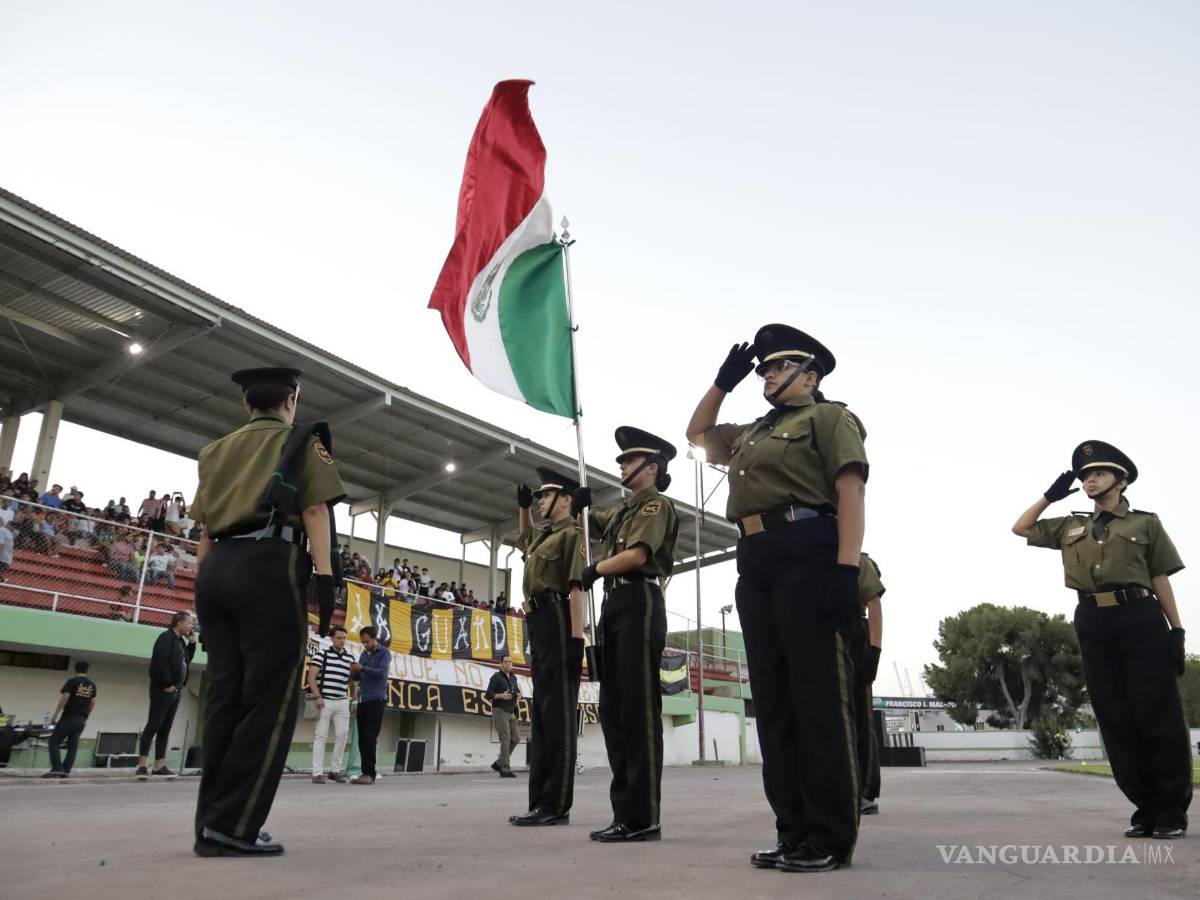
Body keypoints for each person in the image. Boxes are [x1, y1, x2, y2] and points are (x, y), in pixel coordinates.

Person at [686, 325, 868, 873]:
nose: (765, 375)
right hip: (755, 556)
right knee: (773, 702)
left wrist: (845, 571)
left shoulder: (830, 418)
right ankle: (793, 832)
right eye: (762, 369)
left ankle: (830, 836)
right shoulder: (752, 431)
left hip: (807, 548)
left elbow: (850, 490)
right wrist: (722, 383)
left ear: (809, 375)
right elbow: (697, 433)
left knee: (815, 698)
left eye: (776, 367)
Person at [189, 367, 346, 857]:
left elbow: (205, 532)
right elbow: (317, 511)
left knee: (224, 700)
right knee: (269, 702)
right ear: (292, 400)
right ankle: (234, 826)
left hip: (217, 572)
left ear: (246, 405)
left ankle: (211, 824)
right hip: (269, 566)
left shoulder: (215, 450)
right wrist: (324, 582)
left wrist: (201, 587)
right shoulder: (302, 442)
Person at [1012, 441, 1190, 839]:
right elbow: (1020, 528)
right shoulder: (1069, 525)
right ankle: (1144, 807)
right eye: (1084, 476)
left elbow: (1159, 576)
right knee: (1115, 716)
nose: (1089, 480)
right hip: (1092, 619)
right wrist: (1048, 497)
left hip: (1139, 616)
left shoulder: (1145, 523)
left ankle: (1171, 810)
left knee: (1155, 713)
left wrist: (1176, 630)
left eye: (1098, 474)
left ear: (1121, 481)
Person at [575, 427, 680, 844]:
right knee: (615, 711)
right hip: (614, 604)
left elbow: (637, 556)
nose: (620, 465)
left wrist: (596, 569)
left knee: (637, 711)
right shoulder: (622, 510)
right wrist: (580, 503)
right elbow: (588, 521)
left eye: (628, 460)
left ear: (651, 468)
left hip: (639, 599)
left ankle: (643, 817)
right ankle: (625, 814)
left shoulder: (656, 505)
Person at [507, 469, 587, 825]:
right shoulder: (543, 536)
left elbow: (576, 587)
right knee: (541, 712)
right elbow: (525, 541)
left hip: (556, 617)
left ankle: (556, 805)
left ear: (566, 499)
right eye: (536, 497)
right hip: (536, 620)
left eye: (544, 496)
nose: (539, 501)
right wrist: (522, 509)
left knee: (557, 713)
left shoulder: (572, 534)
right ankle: (539, 801)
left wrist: (576, 637)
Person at [136, 611, 197, 779]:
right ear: (179, 623)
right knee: (153, 725)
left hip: (175, 690)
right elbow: (159, 663)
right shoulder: (165, 638)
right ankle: (142, 765)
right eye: (191, 623)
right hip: (163, 689)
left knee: (165, 727)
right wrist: (166, 684)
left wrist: (192, 643)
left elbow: (185, 661)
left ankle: (159, 765)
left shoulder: (180, 642)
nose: (193, 626)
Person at [852, 554, 884, 816]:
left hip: (855, 636)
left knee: (861, 719)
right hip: (825, 635)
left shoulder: (860, 561)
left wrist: (874, 651)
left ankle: (865, 793)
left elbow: (874, 604)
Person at [308, 626, 356, 784]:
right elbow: (311, 678)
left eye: (343, 638)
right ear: (332, 638)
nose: (342, 641)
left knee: (342, 736)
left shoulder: (350, 658)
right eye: (339, 638)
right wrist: (318, 697)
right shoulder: (322, 654)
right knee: (321, 736)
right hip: (325, 701)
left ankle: (335, 771)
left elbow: (351, 681)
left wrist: (353, 699)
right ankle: (317, 773)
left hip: (342, 701)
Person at [350, 625, 391, 785]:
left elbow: (381, 673)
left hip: (377, 700)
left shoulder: (384, 653)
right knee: (361, 739)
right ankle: (364, 772)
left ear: (375, 638)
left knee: (370, 737)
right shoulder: (363, 654)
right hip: (363, 700)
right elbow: (359, 676)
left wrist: (363, 668)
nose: (365, 645)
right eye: (363, 642)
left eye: (367, 641)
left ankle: (370, 773)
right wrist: (353, 671)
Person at [44, 660, 97, 778]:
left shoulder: (72, 682)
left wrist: (56, 714)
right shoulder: (92, 685)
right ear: (87, 670)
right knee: (72, 746)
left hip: (69, 716)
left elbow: (65, 697)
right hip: (81, 719)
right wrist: (85, 715)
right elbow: (93, 703)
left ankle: (57, 768)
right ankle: (66, 771)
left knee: (54, 741)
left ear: (75, 669)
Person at [484, 655, 521, 779]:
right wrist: (501, 696)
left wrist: (519, 695)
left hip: (511, 711)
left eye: (510, 662)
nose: (508, 664)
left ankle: (499, 763)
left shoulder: (513, 677)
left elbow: (516, 691)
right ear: (501, 664)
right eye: (505, 662)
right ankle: (505, 769)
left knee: (515, 739)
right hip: (500, 711)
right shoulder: (496, 677)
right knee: (505, 740)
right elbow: (488, 695)